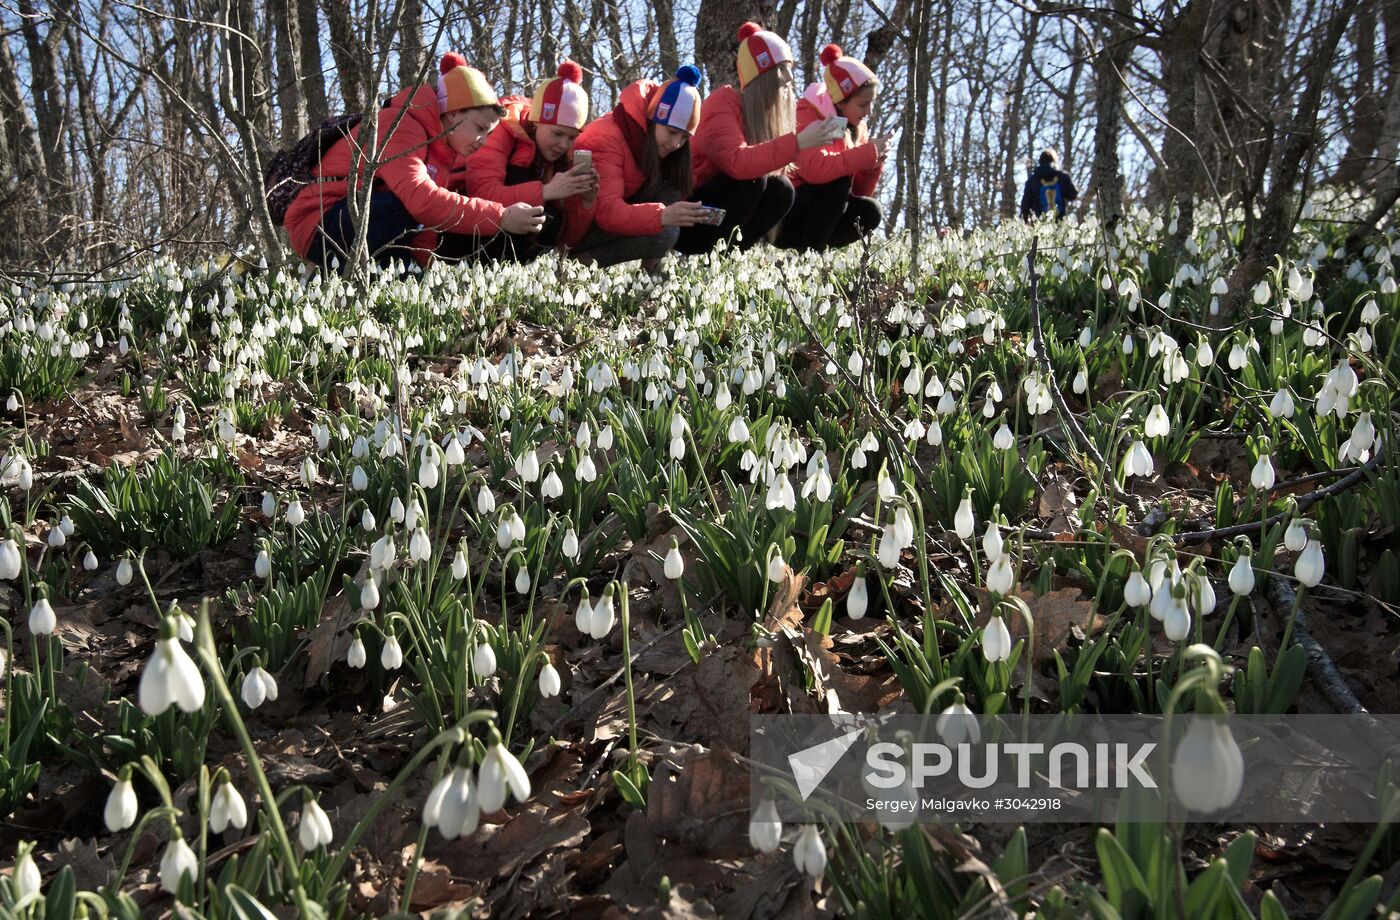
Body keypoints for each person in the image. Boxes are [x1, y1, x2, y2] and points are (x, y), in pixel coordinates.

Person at [284, 53, 546, 272]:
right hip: (318, 222)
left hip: (351, 220)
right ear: (453, 113)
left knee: (418, 224)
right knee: (405, 206)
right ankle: (356, 282)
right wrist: (501, 217)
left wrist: (422, 272)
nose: (483, 140)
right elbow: (421, 202)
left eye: (489, 133)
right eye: (480, 127)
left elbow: (426, 224)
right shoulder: (401, 126)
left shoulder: (442, 149)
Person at [680, 22, 841, 255]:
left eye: (790, 69)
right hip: (691, 216)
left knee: (781, 189)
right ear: (762, 75)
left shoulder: (763, 118)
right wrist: (798, 142)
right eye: (781, 70)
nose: (789, 78)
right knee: (754, 181)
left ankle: (729, 258)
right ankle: (712, 258)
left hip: (717, 215)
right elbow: (739, 164)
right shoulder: (722, 103)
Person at [570, 65, 710, 269]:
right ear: (654, 119)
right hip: (580, 226)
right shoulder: (608, 137)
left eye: (684, 138)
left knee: (675, 185)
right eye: (671, 132)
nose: (675, 144)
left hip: (611, 218)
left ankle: (651, 272)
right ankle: (578, 265)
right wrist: (661, 216)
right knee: (666, 231)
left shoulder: (661, 147)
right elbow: (606, 211)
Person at [462, 61, 599, 262]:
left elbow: (567, 238)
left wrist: (586, 202)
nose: (563, 144)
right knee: (521, 179)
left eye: (571, 137)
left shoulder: (563, 160)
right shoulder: (501, 130)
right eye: (558, 133)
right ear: (536, 122)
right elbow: (480, 193)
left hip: (514, 246)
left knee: (550, 216)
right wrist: (546, 191)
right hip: (464, 227)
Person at [776, 44, 889, 251]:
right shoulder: (808, 114)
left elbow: (857, 191)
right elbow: (815, 171)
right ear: (841, 101)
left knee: (870, 210)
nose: (869, 112)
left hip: (821, 214)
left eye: (871, 104)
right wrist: (865, 154)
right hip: (787, 213)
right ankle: (811, 257)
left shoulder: (857, 127)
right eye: (863, 105)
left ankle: (815, 252)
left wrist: (873, 163)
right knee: (836, 180)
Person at [1019, 149, 1077, 220]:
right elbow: (1073, 195)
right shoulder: (1063, 177)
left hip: (1039, 223)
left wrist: (1025, 220)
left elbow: (1025, 204)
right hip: (1060, 222)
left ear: (1040, 161)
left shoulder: (1032, 180)